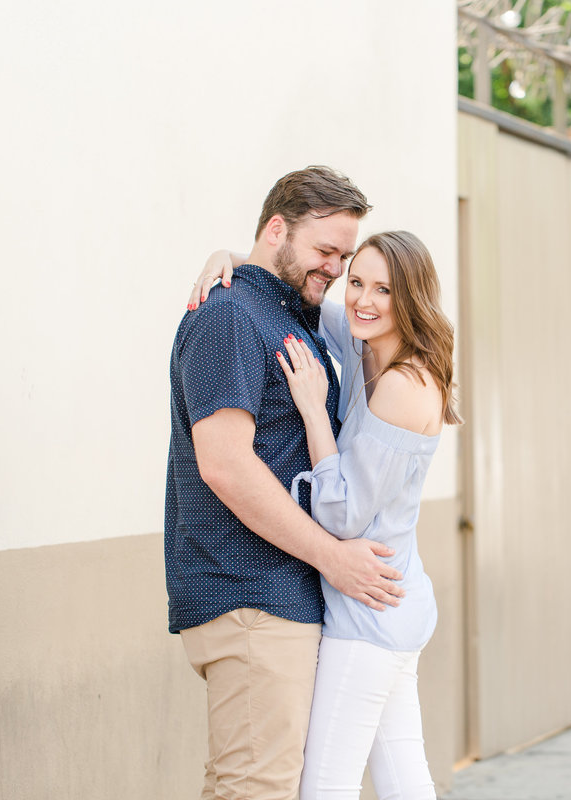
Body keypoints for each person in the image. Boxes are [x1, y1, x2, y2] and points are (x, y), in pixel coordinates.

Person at [190, 230, 462, 800]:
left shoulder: (405, 385)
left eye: (383, 290)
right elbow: (314, 303)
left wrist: (314, 411)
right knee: (402, 777)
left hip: (370, 610)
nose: (362, 299)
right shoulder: (367, 344)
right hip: (386, 604)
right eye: (356, 281)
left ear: (410, 298)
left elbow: (343, 517)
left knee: (324, 788)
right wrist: (233, 260)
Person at [165, 166, 407, 800]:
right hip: (252, 600)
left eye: (344, 256)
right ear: (277, 230)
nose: (334, 269)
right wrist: (335, 558)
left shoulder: (288, 314)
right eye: (325, 251)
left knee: (250, 787)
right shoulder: (230, 318)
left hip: (278, 602)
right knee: (257, 790)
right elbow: (224, 464)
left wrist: (234, 256)